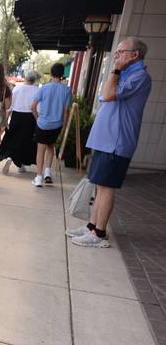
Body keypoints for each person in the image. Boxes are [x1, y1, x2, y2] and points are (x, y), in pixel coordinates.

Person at [69, 37, 152, 248]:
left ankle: (99, 233)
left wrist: (115, 70)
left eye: (121, 52)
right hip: (107, 139)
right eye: (116, 52)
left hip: (116, 141)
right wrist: (116, 70)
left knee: (106, 187)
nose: (116, 56)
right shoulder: (125, 73)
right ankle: (91, 227)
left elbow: (108, 94)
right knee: (100, 186)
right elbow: (105, 96)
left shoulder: (140, 76)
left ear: (135, 55)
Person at [30, 63, 72, 187]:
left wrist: (37, 119)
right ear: (62, 74)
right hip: (57, 125)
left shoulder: (44, 88)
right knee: (50, 148)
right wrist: (63, 126)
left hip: (43, 124)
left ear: (51, 73)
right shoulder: (67, 90)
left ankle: (38, 178)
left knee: (40, 151)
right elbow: (66, 111)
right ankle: (47, 172)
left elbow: (32, 106)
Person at [0, 70, 39, 174]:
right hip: (30, 117)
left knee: (13, 138)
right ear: (34, 80)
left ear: (25, 78)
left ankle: (10, 158)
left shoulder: (17, 88)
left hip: (17, 115)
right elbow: (38, 107)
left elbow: (11, 105)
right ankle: (21, 164)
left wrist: (7, 118)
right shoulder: (37, 90)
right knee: (26, 140)